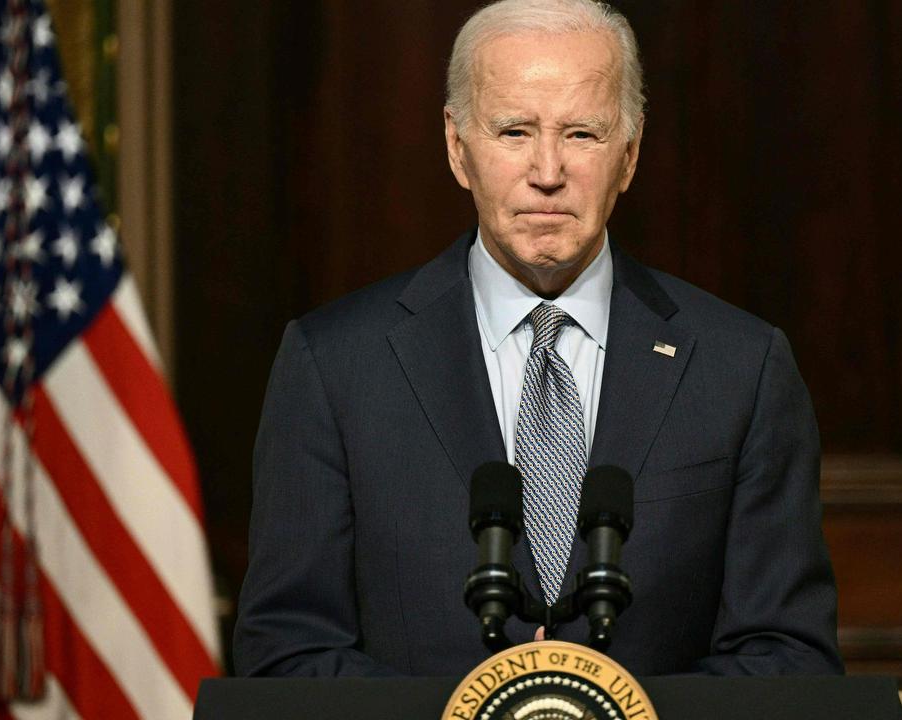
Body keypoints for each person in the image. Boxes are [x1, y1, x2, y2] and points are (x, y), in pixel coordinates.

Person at [233, 0, 842, 677]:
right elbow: (288, 654)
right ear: (457, 147)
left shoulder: (741, 369)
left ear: (630, 155)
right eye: (515, 131)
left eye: (581, 133)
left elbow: (789, 658)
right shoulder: (335, 367)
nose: (547, 171)